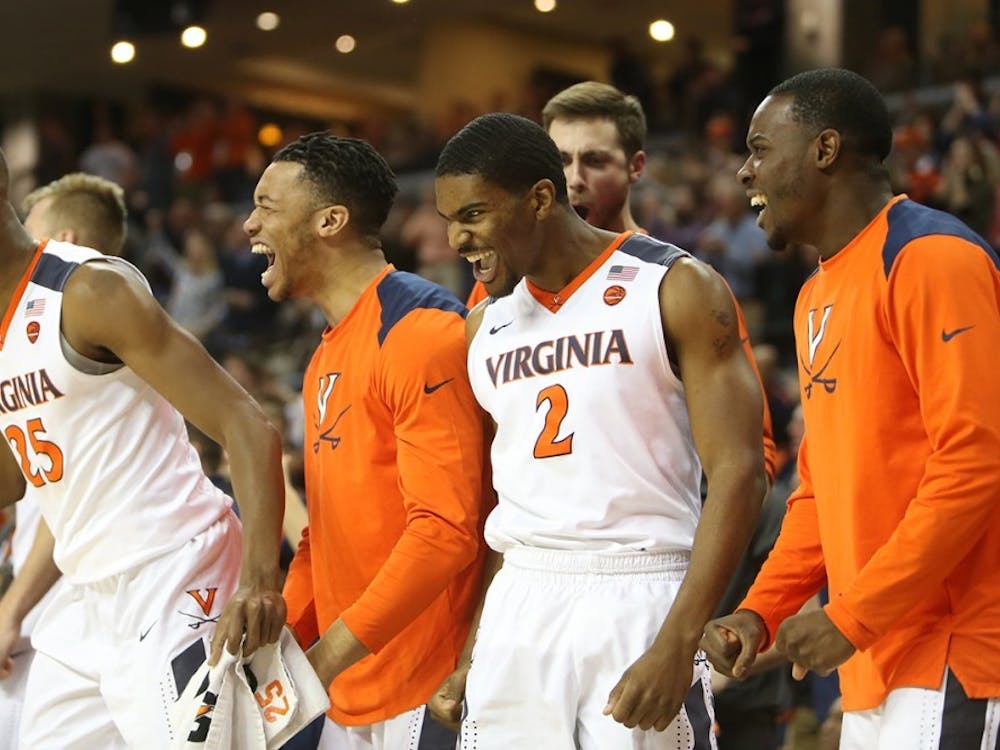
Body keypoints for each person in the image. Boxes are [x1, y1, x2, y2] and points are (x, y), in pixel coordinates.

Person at [431, 112, 767, 748]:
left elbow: (741, 473)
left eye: (472, 215)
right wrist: (475, 650)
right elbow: (512, 499)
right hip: (520, 600)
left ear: (540, 199)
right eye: (449, 219)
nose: (456, 238)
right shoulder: (483, 327)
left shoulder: (675, 286)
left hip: (639, 590)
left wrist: (678, 641)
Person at [700, 67, 1000, 748]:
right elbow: (820, 491)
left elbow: (976, 463)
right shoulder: (816, 291)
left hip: (956, 652)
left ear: (825, 149)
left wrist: (851, 616)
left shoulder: (930, 258)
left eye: (760, 149)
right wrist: (761, 612)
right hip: (874, 661)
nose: (745, 172)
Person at [0, 156, 288, 748]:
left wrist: (259, 581)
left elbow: (246, 424)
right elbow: (12, 480)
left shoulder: (87, 288)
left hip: (174, 570)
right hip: (85, 591)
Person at [243, 132, 487, 749]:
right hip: (348, 688)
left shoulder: (421, 332)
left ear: (329, 221)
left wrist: (323, 659)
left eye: (267, 205)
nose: (250, 224)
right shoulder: (324, 354)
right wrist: (280, 645)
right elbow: (322, 535)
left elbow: (444, 532)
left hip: (429, 687)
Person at [465, 81, 777, 479]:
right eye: (560, 160)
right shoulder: (497, 291)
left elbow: (754, 453)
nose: (574, 179)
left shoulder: (680, 283)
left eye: (595, 161)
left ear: (636, 166)